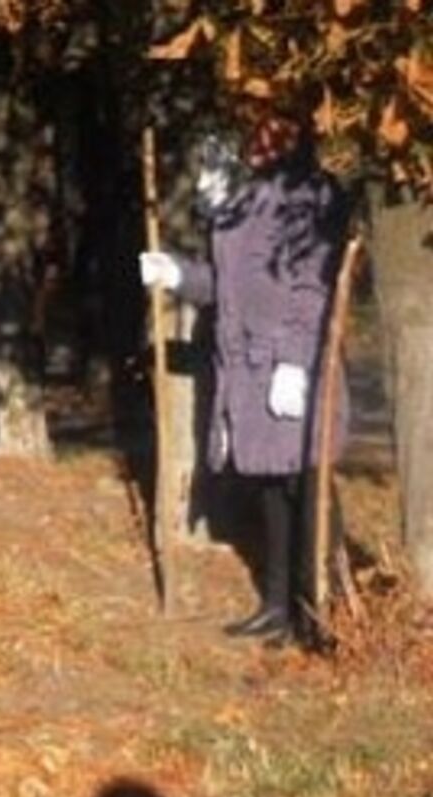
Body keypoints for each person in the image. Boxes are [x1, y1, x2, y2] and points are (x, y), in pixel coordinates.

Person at [138, 113, 348, 649]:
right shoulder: (244, 200)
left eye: (269, 129)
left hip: (290, 365)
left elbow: (313, 288)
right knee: (270, 490)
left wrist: (294, 362)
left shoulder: (315, 196)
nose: (255, 139)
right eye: (252, 130)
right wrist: (177, 275)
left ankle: (324, 614)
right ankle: (278, 606)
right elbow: (222, 285)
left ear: (295, 134)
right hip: (246, 369)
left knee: (307, 487)